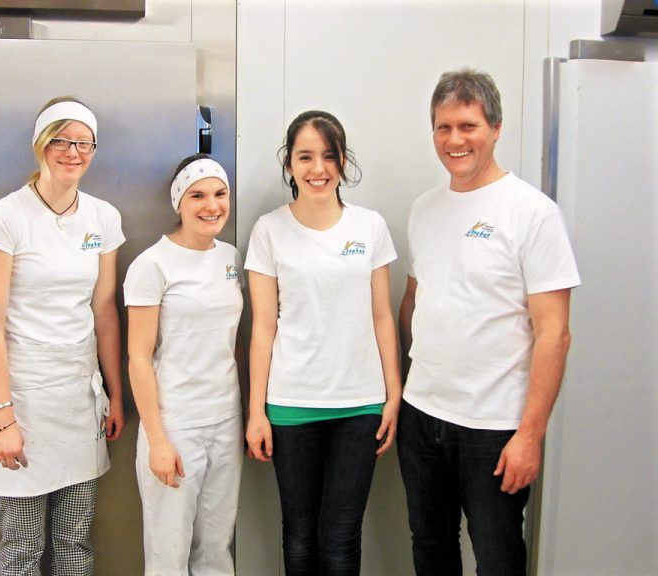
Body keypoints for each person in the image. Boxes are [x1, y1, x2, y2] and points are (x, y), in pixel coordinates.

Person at [397, 68, 581, 575]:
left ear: (495, 129)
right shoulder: (424, 209)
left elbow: (554, 334)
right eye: (443, 127)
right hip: (422, 416)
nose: (454, 140)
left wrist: (529, 436)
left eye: (468, 126)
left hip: (495, 427)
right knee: (430, 547)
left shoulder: (533, 213)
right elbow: (414, 301)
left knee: (498, 559)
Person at [245, 110, 402, 575]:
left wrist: (393, 395)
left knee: (341, 537)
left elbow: (382, 316)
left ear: (343, 161)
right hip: (291, 403)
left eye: (329, 156)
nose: (318, 168)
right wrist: (256, 412)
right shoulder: (269, 230)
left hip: (360, 405)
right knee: (299, 534)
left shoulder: (369, 227)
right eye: (306, 156)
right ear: (289, 163)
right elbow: (263, 327)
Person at [0, 97, 125, 575]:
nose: (72, 152)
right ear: (40, 145)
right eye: (60, 140)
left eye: (83, 143)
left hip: (81, 401)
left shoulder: (103, 218)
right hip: (24, 401)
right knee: (22, 546)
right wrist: (3, 419)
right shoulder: (5, 218)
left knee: (75, 540)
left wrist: (116, 396)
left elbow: (104, 311)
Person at [124, 154, 244, 575]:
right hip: (175, 423)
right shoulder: (152, 265)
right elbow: (138, 357)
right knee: (168, 553)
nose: (212, 205)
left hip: (225, 418)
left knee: (216, 548)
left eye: (220, 194)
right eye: (198, 196)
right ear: (179, 202)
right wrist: (158, 441)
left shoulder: (230, 258)